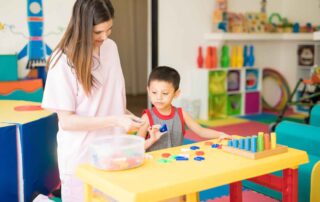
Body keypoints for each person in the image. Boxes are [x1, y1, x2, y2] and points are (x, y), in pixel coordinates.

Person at [41, 0, 143, 201]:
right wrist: (115, 120)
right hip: (81, 158)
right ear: (82, 27)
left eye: (109, 30)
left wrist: (133, 119)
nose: (104, 37)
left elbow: (112, 103)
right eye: (98, 33)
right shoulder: (62, 61)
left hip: (115, 154)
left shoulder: (110, 48)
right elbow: (67, 121)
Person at [137, 66, 231, 151]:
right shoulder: (146, 118)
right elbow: (136, 147)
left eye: (165, 93)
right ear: (148, 91)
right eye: (154, 92)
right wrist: (152, 140)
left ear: (176, 93)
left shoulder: (181, 114)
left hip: (176, 162)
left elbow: (201, 131)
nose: (159, 97)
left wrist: (221, 134)